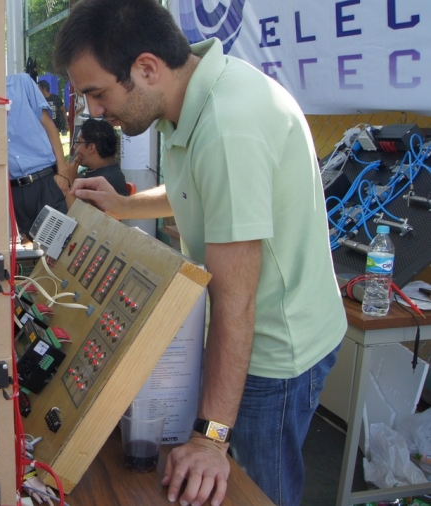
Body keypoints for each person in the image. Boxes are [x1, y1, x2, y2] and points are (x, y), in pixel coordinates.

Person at [54, 1, 346, 505]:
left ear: (146, 68)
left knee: (254, 492)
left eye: (97, 94)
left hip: (272, 351)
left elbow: (237, 301)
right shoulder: (186, 100)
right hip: (245, 331)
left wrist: (212, 437)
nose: (96, 112)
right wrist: (123, 206)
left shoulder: (228, 127)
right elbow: (198, 191)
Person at [0, 38, 71, 238]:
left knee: (60, 246)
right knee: (23, 255)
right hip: (9, 190)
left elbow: (49, 125)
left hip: (46, 180)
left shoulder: (22, 83)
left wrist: (62, 171)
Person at [71, 118, 128, 197]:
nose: (74, 146)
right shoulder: (94, 171)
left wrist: (72, 180)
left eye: (78, 142)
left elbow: (82, 208)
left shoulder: (109, 180)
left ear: (91, 148)